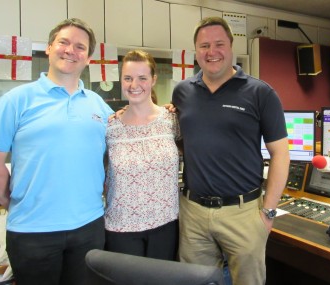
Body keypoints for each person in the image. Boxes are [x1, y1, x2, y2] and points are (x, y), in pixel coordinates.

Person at [0, 18, 114, 285]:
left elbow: (117, 152)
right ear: (49, 48)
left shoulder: (98, 105)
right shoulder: (17, 100)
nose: (70, 50)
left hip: (89, 227)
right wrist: (17, 205)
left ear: (88, 58)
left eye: (80, 46)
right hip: (32, 232)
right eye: (63, 42)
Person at [172, 16, 290, 285]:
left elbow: (281, 155)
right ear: (195, 50)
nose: (211, 52)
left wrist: (269, 212)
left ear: (231, 46)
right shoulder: (182, 92)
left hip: (243, 213)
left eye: (218, 44)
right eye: (204, 46)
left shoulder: (261, 93)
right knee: (195, 282)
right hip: (193, 212)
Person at [104, 50, 180, 260]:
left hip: (165, 225)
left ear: (153, 80)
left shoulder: (172, 120)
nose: (134, 84)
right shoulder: (110, 126)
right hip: (121, 228)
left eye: (142, 78)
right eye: (128, 78)